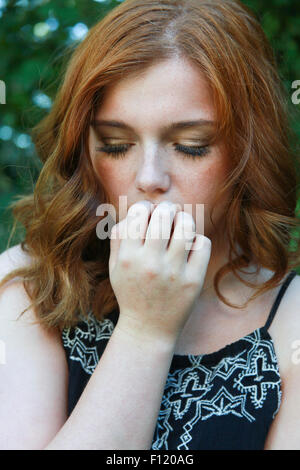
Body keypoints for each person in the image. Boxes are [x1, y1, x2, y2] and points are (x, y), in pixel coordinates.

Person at [0, 0, 300, 451]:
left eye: (191, 146)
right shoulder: (28, 288)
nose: (149, 179)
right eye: (117, 145)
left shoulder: (292, 319)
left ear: (248, 154)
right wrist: (144, 331)